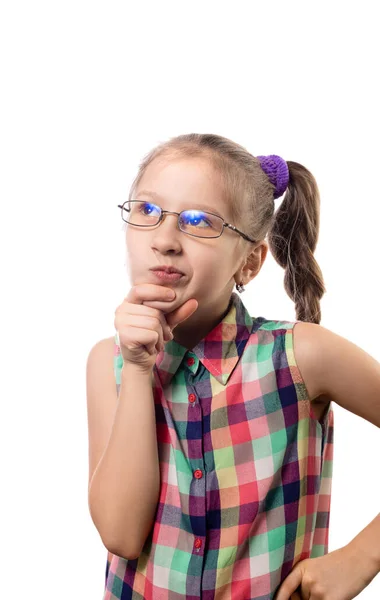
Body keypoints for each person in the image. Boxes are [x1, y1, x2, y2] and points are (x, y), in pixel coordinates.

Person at [87, 133, 334, 599]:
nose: (164, 240)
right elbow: (121, 535)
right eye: (146, 211)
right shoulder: (110, 363)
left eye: (199, 221)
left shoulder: (300, 357)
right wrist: (140, 370)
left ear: (250, 262)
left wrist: (360, 559)